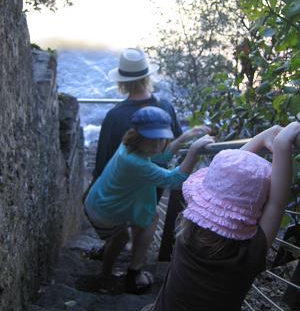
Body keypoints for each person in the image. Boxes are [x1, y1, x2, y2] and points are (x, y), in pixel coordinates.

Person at [142, 121, 300, 311]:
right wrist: (283, 144)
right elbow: (277, 203)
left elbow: (226, 175)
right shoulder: (247, 254)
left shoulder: (186, 232)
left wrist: (272, 137)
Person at [84, 106, 215, 294]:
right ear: (138, 137)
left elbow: (160, 154)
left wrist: (187, 136)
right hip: (103, 212)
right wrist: (193, 151)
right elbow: (175, 180)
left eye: (162, 139)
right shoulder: (135, 163)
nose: (157, 145)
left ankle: (111, 272)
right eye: (151, 139)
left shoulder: (128, 146)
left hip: (99, 202)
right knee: (122, 237)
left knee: (137, 225)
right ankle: (109, 275)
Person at [92, 47, 184, 182]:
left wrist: (94, 185)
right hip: (156, 181)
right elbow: (176, 143)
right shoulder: (165, 106)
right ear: (148, 77)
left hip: (123, 186)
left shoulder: (115, 116)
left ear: (121, 82)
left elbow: (103, 159)